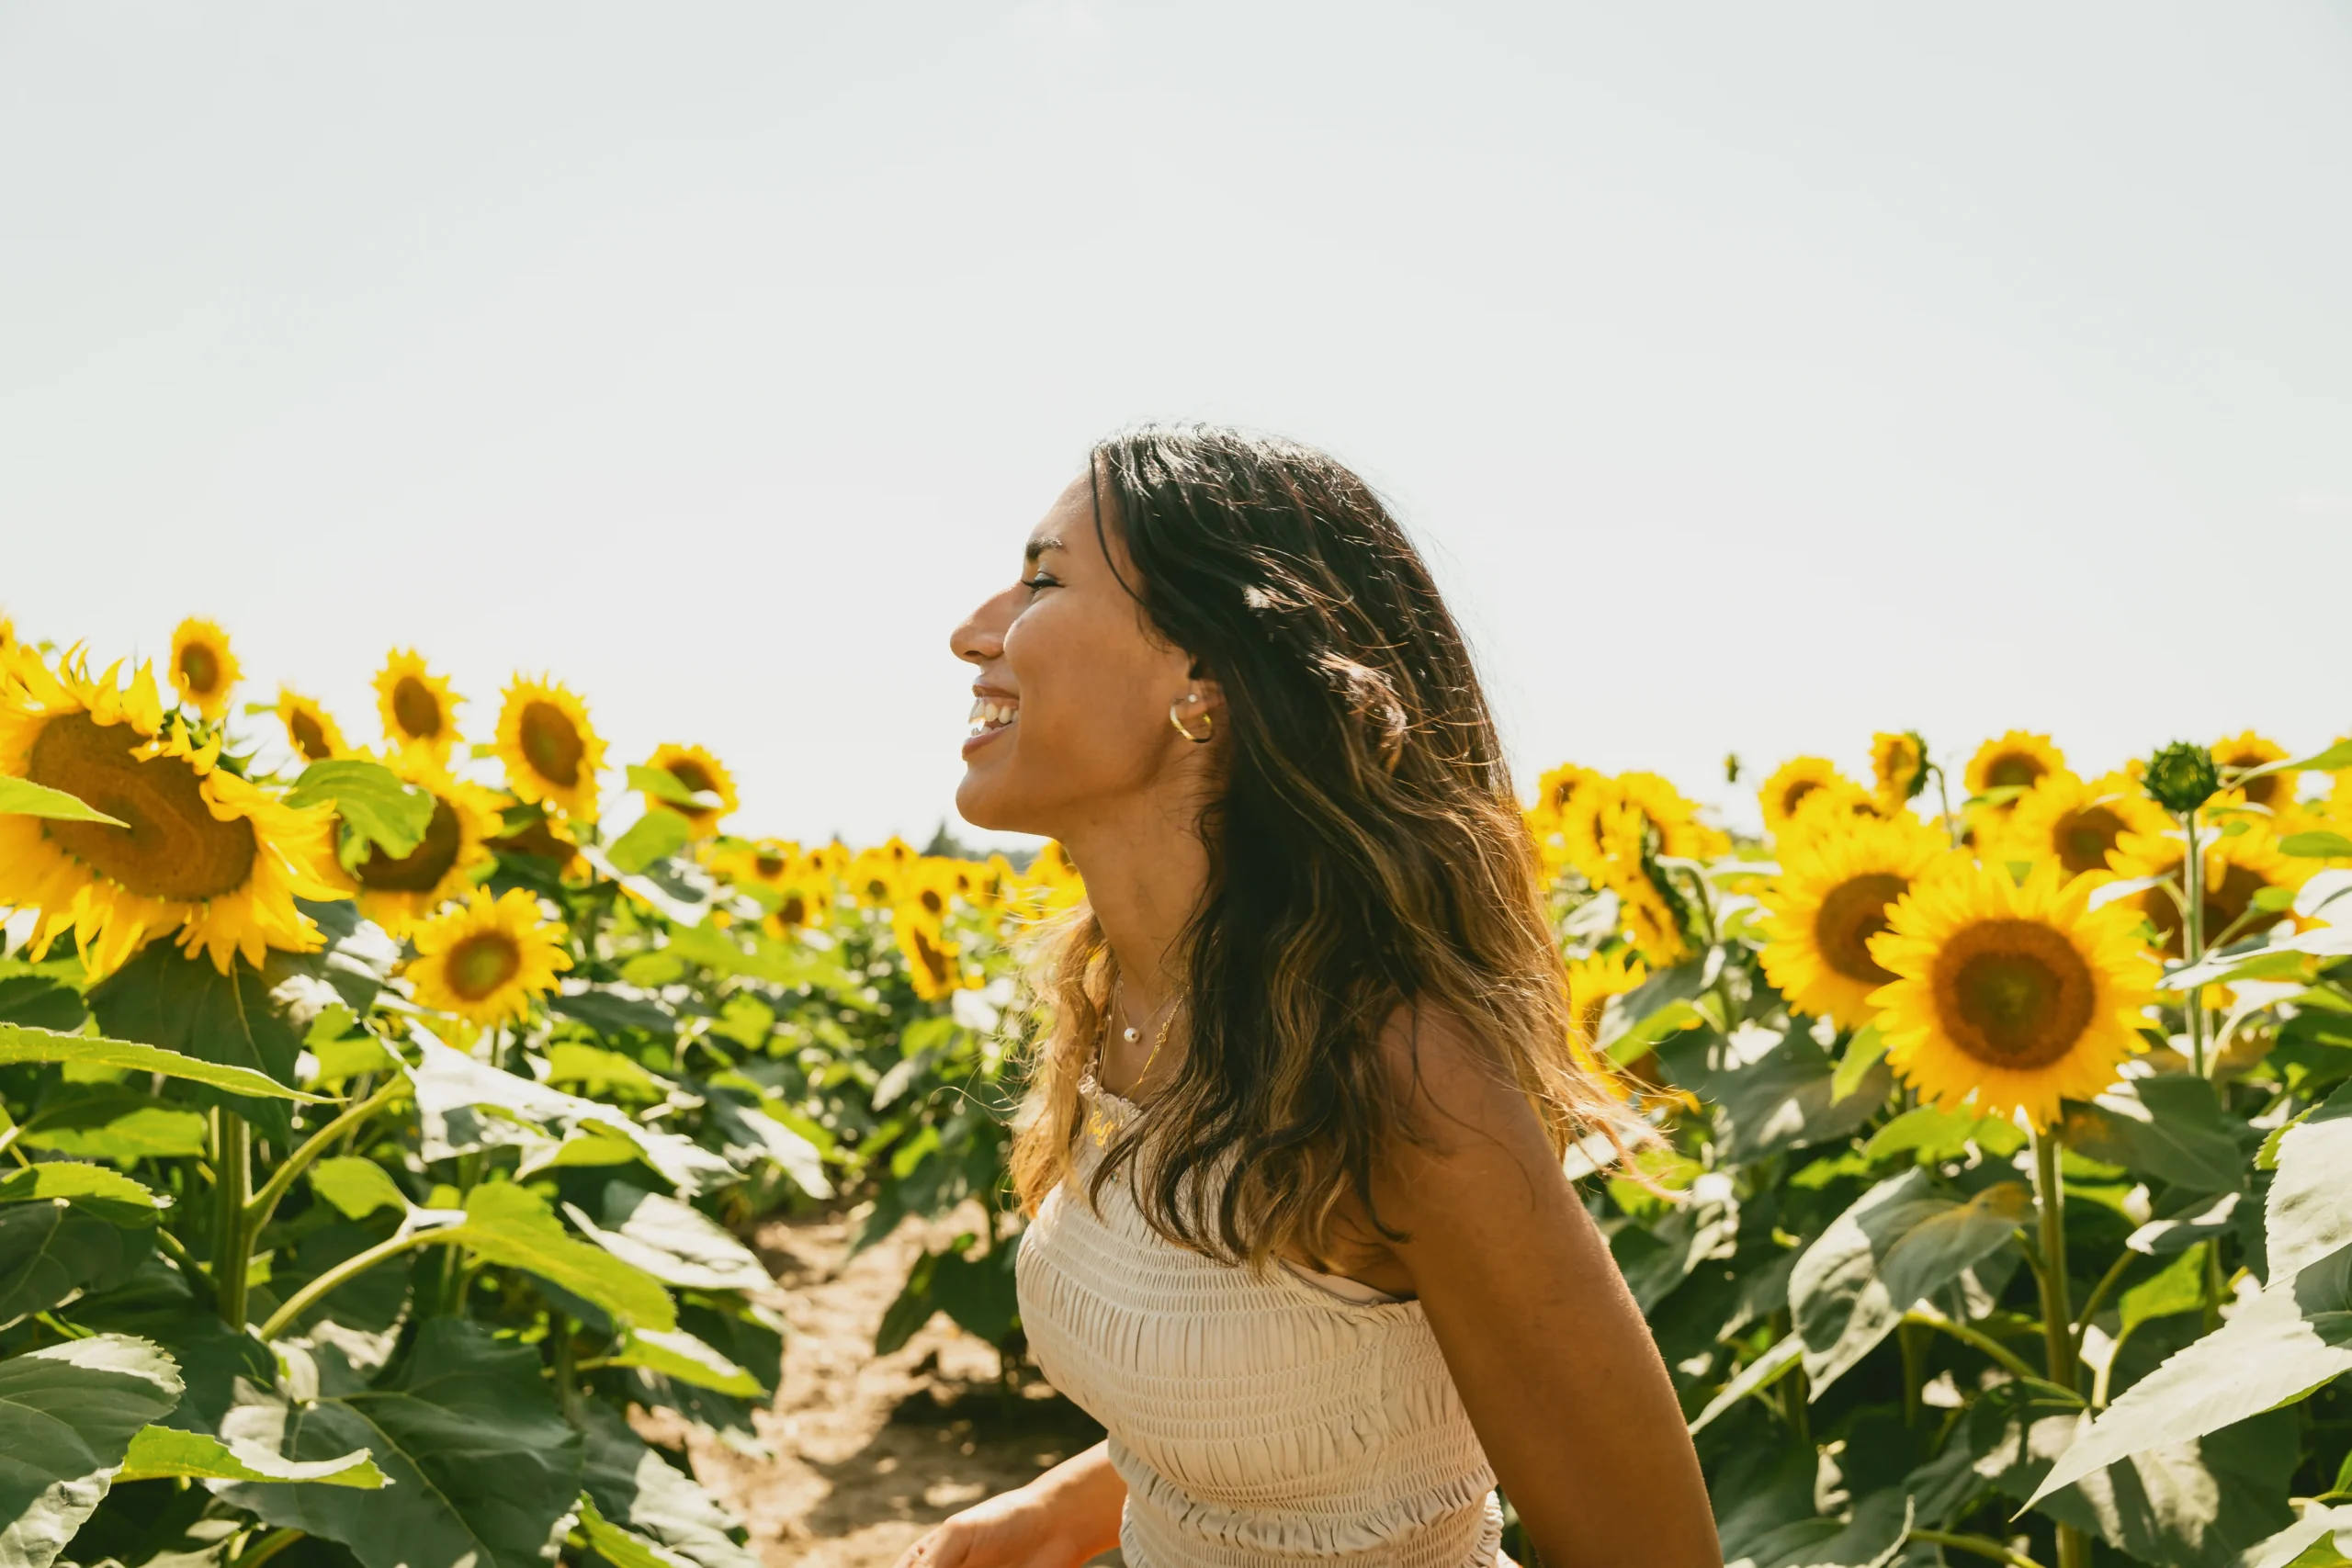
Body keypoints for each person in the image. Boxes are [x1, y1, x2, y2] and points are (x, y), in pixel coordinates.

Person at [902, 425, 1718, 1568]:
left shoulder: (1399, 1070)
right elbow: (1296, 1405)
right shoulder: (1114, 996)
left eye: (1043, 579)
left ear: (1207, 680)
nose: (974, 629)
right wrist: (1053, 1513)